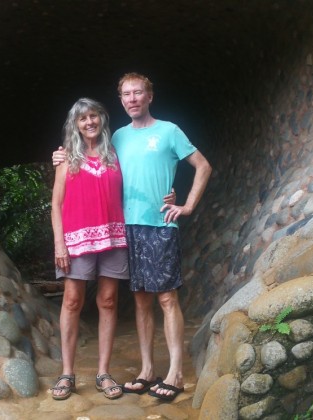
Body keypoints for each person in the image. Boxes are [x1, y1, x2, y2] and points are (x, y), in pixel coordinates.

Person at [53, 73, 212, 402]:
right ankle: (145, 371)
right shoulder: (117, 140)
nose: (133, 98)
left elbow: (202, 165)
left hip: (154, 226)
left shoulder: (165, 132)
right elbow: (71, 178)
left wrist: (186, 205)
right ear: (121, 100)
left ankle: (174, 373)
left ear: (149, 96)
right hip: (124, 230)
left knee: (164, 299)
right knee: (139, 301)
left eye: (138, 92)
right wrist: (58, 155)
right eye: (126, 94)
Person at [50, 98, 127, 401]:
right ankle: (67, 373)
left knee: (107, 301)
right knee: (72, 301)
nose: (89, 122)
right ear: (76, 125)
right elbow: (56, 204)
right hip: (76, 240)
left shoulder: (115, 153)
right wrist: (60, 243)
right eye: (83, 119)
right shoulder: (66, 157)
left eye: (94, 116)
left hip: (113, 236)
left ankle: (103, 372)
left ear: (101, 119)